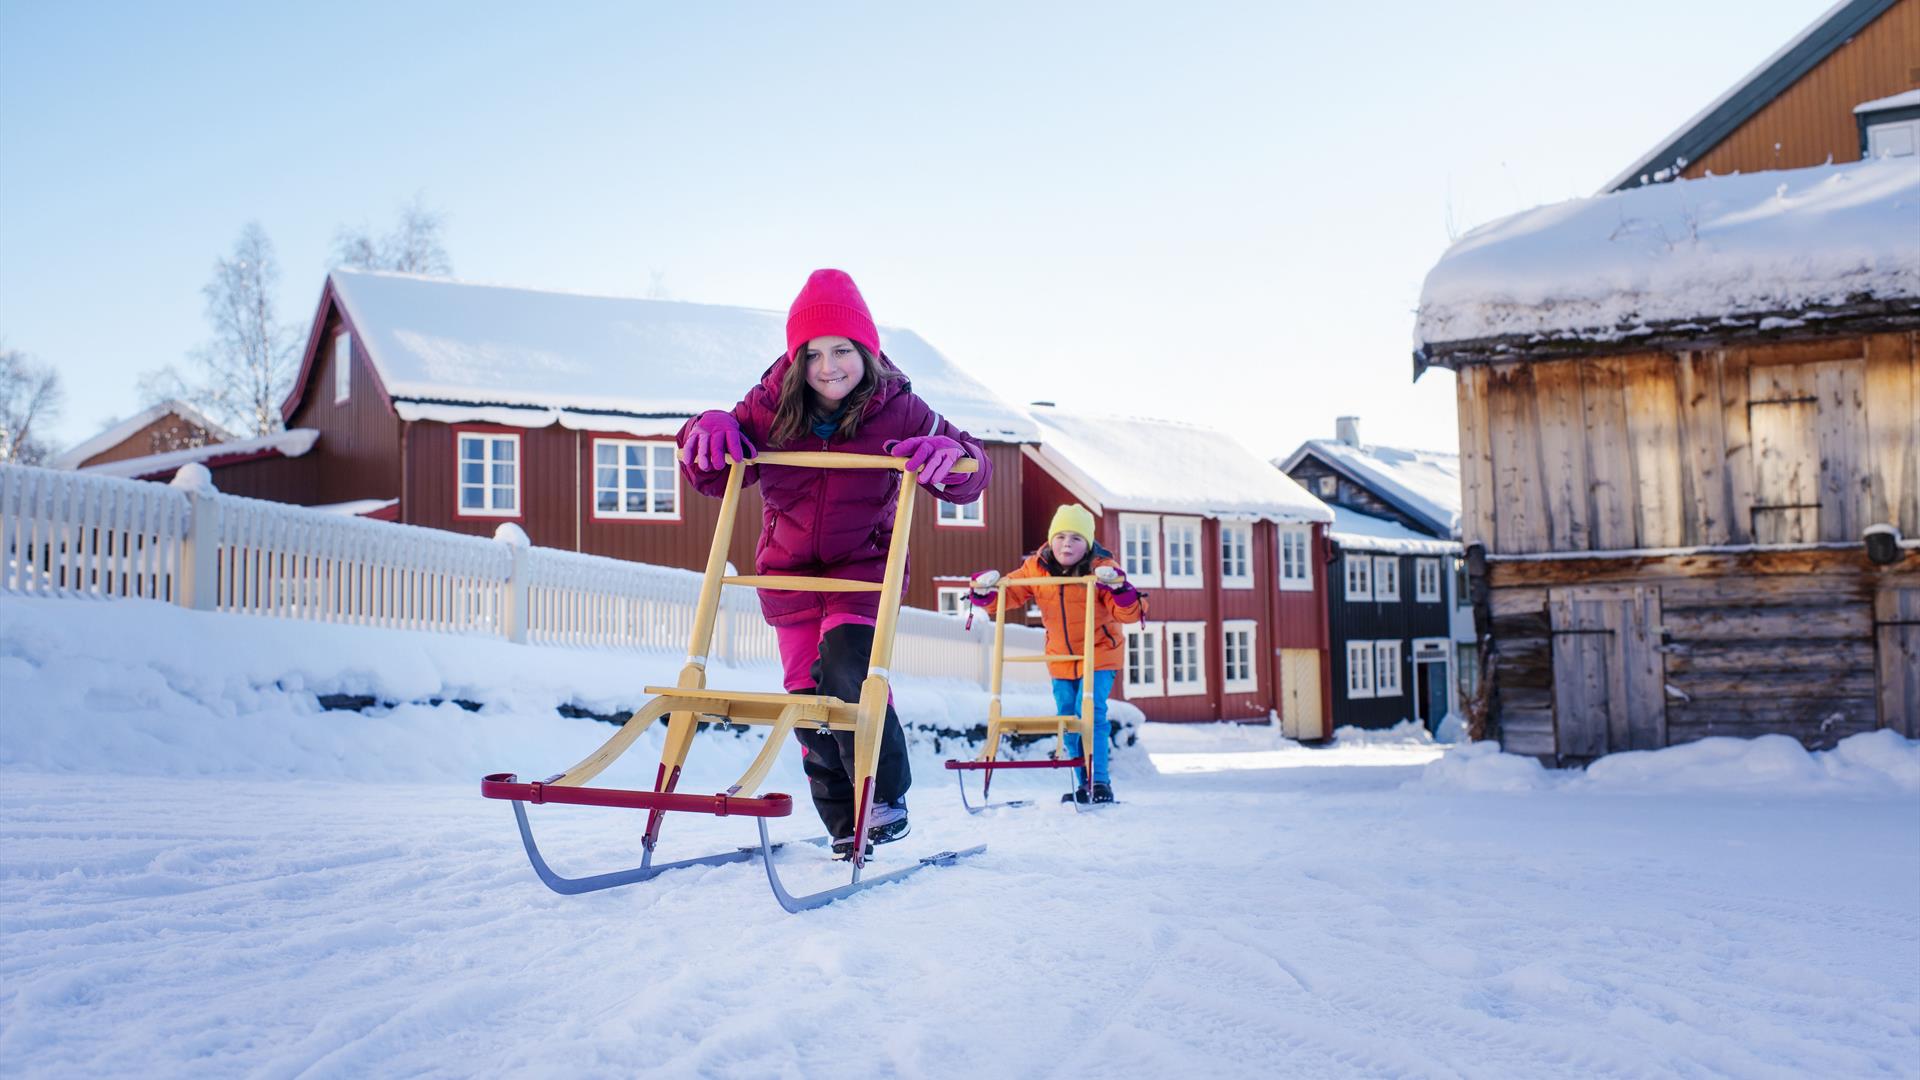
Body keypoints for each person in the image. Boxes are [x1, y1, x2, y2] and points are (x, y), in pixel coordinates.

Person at [678, 269, 991, 857]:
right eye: (814, 353)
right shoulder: (768, 406)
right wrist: (704, 427)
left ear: (867, 352)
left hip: (862, 573)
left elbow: (972, 469)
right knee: (807, 701)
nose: (829, 366)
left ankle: (885, 797)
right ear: (796, 359)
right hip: (789, 576)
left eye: (843, 350)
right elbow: (709, 472)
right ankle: (844, 819)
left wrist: (952, 455)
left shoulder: (899, 408)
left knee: (849, 673)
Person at [970, 504, 1145, 803]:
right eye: (1061, 536)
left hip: (1099, 653)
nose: (1067, 543)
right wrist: (986, 592)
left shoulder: (1101, 570)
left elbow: (1128, 614)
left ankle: (1100, 782)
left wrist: (1120, 589)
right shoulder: (1036, 568)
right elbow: (1011, 594)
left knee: (1089, 713)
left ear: (1088, 544)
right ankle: (1082, 782)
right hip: (1060, 656)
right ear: (1051, 540)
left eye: (1076, 538)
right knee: (1067, 717)